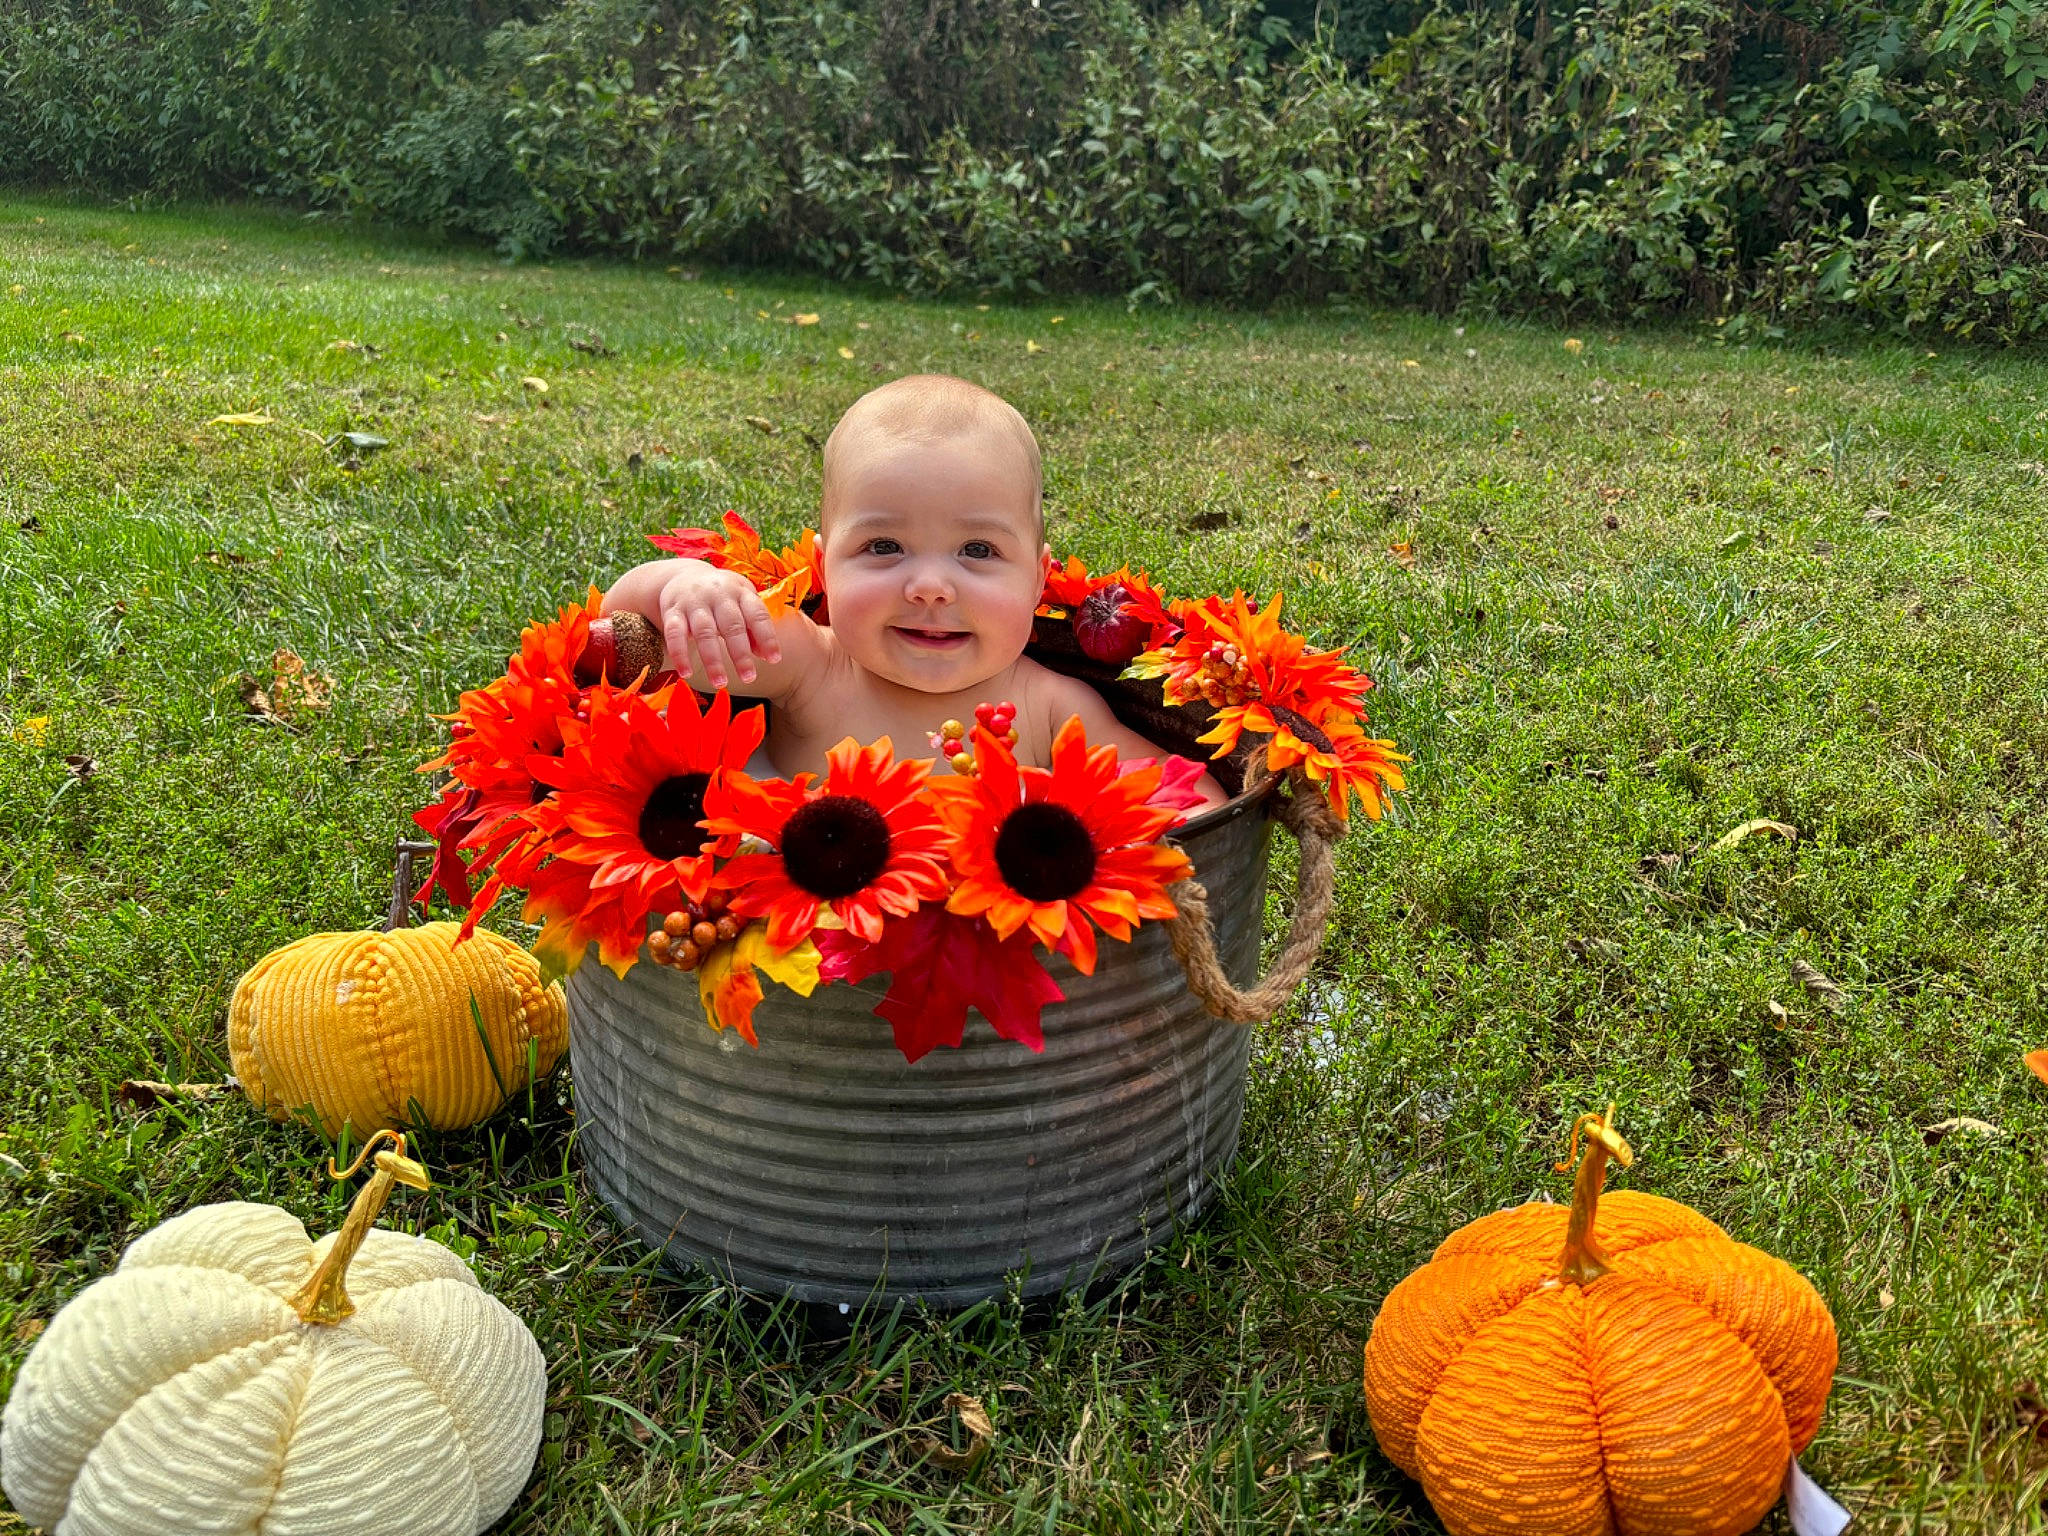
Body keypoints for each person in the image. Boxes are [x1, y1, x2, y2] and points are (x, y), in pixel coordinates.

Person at [603, 373, 1226, 804]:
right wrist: (687, 585)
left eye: (978, 551)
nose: (929, 587)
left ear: (1038, 581)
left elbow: (1194, 803)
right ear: (827, 568)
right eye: (883, 547)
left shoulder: (1049, 709)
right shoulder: (807, 663)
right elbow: (626, 639)